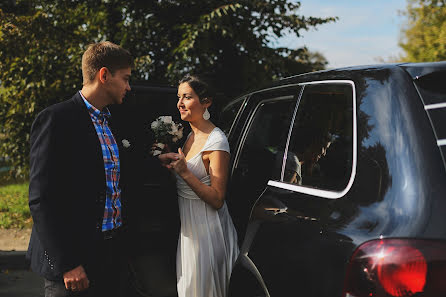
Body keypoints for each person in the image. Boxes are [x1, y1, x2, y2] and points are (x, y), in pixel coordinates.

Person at [27, 41, 177, 297]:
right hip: (73, 264)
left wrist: (157, 162)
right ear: (104, 75)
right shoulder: (57, 119)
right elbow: (41, 198)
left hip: (111, 255)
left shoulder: (111, 121)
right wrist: (68, 264)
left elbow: (114, 172)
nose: (129, 87)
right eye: (126, 79)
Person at [161, 74, 239, 297]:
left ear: (206, 102)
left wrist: (185, 172)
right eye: (179, 97)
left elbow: (217, 198)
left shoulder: (217, 142)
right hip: (189, 232)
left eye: (187, 97)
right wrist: (171, 165)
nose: (180, 103)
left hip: (208, 232)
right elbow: (186, 181)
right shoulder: (189, 138)